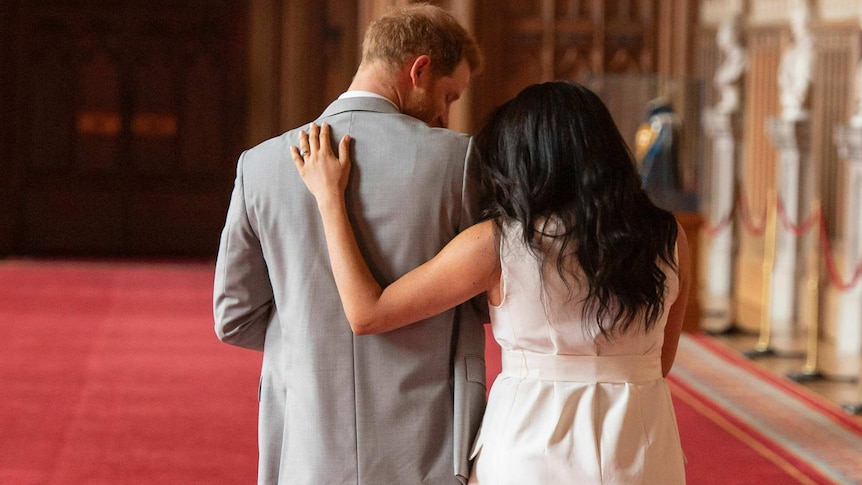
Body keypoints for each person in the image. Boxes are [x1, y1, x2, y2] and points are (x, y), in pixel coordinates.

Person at [293, 81, 691, 484]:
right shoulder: (669, 237)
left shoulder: (501, 243)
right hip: (642, 447)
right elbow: (660, 361)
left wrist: (329, 199)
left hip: (530, 448)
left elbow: (367, 312)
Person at [213, 5, 487, 484]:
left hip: (307, 439)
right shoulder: (458, 162)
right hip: (428, 440)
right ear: (419, 70)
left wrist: (312, 335)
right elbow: (486, 299)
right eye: (448, 95)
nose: (446, 114)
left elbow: (233, 316)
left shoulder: (260, 166)